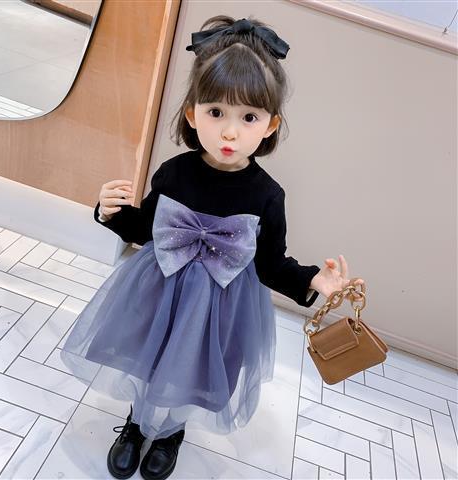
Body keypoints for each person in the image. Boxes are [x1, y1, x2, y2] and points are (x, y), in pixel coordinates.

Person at [60, 14, 364, 480]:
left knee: (193, 369)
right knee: (152, 356)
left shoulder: (268, 196)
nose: (229, 132)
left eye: (248, 118)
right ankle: (138, 423)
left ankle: (171, 431)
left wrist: (312, 280)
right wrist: (111, 212)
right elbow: (148, 228)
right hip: (160, 290)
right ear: (192, 114)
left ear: (270, 125)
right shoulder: (174, 172)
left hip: (221, 305)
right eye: (216, 113)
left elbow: (269, 264)